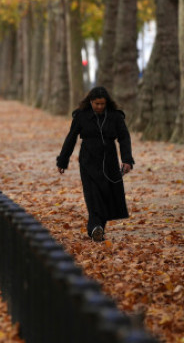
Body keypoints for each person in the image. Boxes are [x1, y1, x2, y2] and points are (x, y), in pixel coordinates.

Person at [56, 86, 134, 242]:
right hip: (88, 159)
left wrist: (127, 159)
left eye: (102, 104)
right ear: (90, 102)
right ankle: (95, 227)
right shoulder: (81, 116)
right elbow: (71, 138)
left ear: (106, 103)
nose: (99, 107)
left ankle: (98, 229)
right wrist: (63, 160)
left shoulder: (115, 117)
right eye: (96, 104)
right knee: (93, 194)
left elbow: (124, 138)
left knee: (106, 194)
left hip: (109, 159)